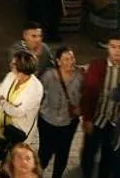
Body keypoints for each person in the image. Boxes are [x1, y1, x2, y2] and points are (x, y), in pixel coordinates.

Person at [79, 35, 120, 178]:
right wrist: (86, 118)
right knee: (88, 153)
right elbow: (87, 93)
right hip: (96, 119)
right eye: (113, 47)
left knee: (109, 157)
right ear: (108, 48)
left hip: (115, 124)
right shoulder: (96, 66)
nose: (117, 51)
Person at [0, 50, 44, 164]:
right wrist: (9, 107)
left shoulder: (36, 88)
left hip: (18, 132)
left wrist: (3, 103)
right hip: (1, 126)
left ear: (21, 69)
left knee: (14, 163)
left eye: (14, 63)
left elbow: (18, 112)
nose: (11, 64)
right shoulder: (10, 76)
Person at [36, 46, 81, 178]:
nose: (70, 62)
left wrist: (80, 108)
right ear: (58, 61)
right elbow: (38, 92)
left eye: (72, 58)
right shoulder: (49, 75)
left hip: (68, 123)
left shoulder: (80, 76)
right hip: (47, 121)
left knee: (63, 153)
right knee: (45, 153)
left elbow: (85, 95)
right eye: (66, 59)